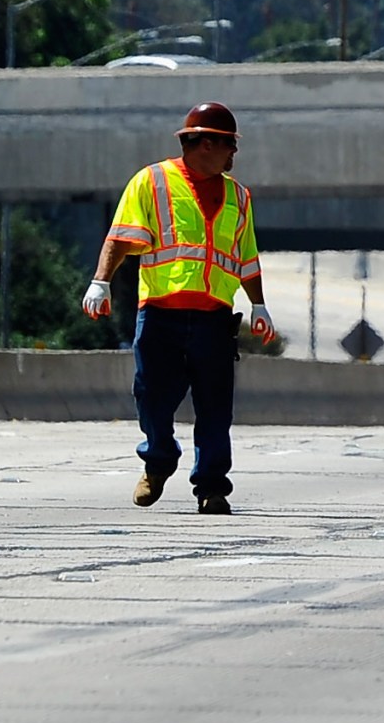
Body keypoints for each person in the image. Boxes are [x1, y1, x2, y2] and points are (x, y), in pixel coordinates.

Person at [83, 101, 275, 515]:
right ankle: (158, 460)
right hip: (160, 315)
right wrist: (101, 281)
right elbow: (120, 237)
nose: (234, 154)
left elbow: (246, 256)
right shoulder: (151, 182)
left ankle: (211, 488)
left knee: (214, 407)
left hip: (213, 319)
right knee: (150, 396)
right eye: (228, 145)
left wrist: (259, 304)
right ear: (205, 144)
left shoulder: (239, 197)